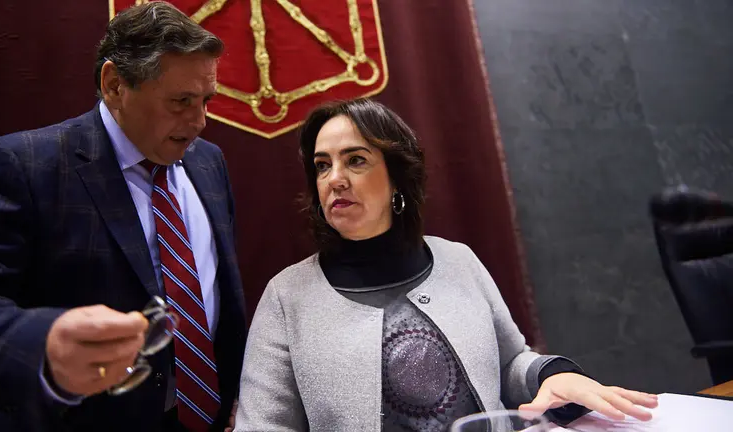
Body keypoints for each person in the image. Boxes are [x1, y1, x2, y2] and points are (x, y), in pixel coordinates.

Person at [234, 99, 659, 431]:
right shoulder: (287, 296)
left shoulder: (458, 259)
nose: (334, 179)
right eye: (322, 166)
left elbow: (510, 363)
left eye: (356, 160)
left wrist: (553, 375)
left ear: (398, 177)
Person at [0, 2, 246, 431]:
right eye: (181, 101)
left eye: (206, 100)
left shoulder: (210, 163)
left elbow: (218, 299)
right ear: (115, 85)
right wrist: (44, 344)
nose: (200, 121)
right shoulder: (23, 166)